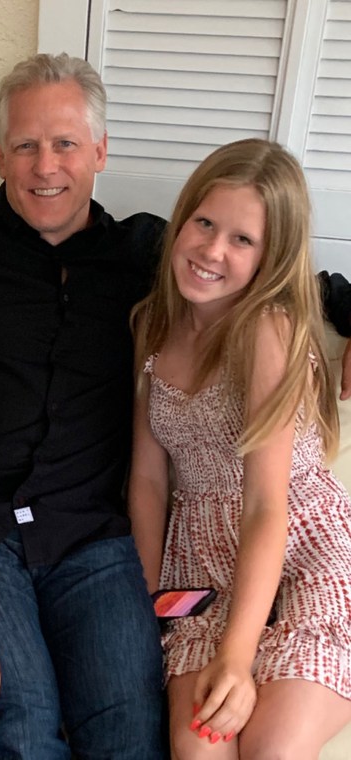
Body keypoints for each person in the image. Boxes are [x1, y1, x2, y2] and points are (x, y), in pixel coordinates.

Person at [0, 52, 167, 759]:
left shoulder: (147, 252)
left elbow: (265, 264)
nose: (45, 165)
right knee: (20, 729)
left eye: (65, 144)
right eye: (26, 145)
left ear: (101, 151)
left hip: (89, 535)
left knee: (131, 733)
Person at [129, 139, 351, 758]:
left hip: (299, 552)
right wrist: (148, 603)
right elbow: (147, 482)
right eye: (203, 223)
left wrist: (237, 658)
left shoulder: (264, 330)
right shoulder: (152, 324)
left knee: (272, 749)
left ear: (270, 256)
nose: (211, 250)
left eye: (241, 240)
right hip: (199, 571)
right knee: (200, 748)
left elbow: (265, 507)